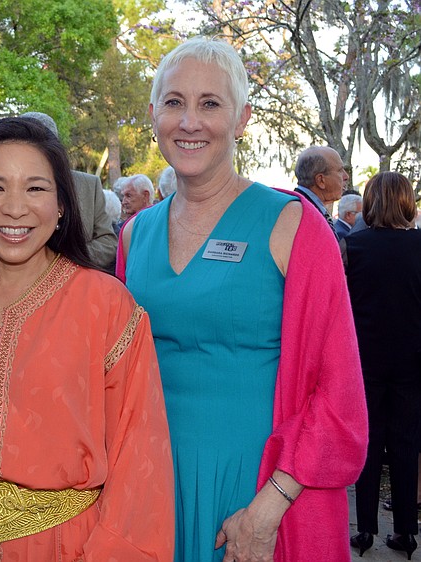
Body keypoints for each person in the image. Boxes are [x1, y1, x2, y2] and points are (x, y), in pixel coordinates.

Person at [119, 36, 367, 562]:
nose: (190, 121)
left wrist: (268, 509)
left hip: (256, 499)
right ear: (153, 114)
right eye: (174, 102)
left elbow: (341, 397)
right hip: (150, 490)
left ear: (242, 118)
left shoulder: (294, 226)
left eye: (210, 104)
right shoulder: (133, 235)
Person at [0, 117, 174, 562]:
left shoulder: (105, 305)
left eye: (36, 188)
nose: (15, 208)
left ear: (62, 204)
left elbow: (141, 464)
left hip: (71, 547)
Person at [345, 172, 421, 559]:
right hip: (412, 363)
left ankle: (366, 531)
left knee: (369, 445)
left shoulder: (353, 245)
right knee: (407, 445)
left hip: (366, 362)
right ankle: (407, 532)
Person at [19, 112, 118, 269]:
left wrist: (66, 260)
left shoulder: (88, 185)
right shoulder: (4, 190)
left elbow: (108, 243)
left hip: (76, 284)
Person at [294, 146, 349, 238]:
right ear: (321, 180)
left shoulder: (303, 207)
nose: (346, 176)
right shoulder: (302, 214)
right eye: (340, 171)